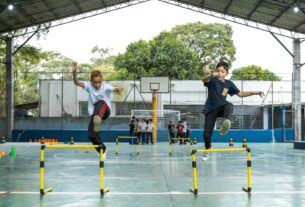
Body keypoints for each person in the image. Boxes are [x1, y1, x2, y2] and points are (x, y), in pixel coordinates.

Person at [202, 61, 264, 161]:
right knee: (206, 134)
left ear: (226, 73)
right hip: (210, 109)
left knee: (229, 105)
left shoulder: (229, 84)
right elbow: (203, 80)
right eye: (218, 71)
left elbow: (241, 94)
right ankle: (208, 148)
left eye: (222, 71)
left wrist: (255, 92)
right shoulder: (213, 80)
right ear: (215, 71)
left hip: (222, 107)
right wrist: (211, 74)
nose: (220, 73)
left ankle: (226, 123)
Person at [72, 61, 123, 159]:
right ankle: (102, 149)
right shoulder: (89, 86)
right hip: (94, 114)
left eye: (99, 82)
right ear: (91, 81)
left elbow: (114, 89)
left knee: (101, 102)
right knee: (91, 135)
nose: (97, 84)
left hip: (105, 110)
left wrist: (117, 90)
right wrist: (74, 72)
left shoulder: (105, 87)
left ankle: (98, 119)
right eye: (94, 82)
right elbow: (76, 82)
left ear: (102, 80)